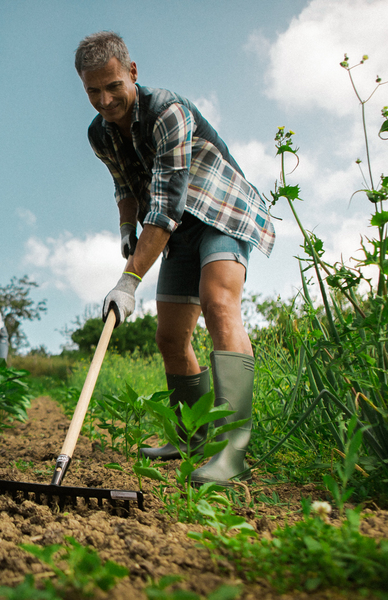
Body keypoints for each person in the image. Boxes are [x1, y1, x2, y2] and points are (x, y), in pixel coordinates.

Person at [74, 32, 276, 486]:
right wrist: (127, 226)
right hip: (176, 229)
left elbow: (164, 206)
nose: (105, 100)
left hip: (221, 210)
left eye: (112, 87)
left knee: (218, 303)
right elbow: (127, 186)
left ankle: (230, 452)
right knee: (169, 337)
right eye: (92, 91)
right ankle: (192, 438)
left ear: (132, 73)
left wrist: (128, 281)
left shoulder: (168, 112)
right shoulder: (98, 134)